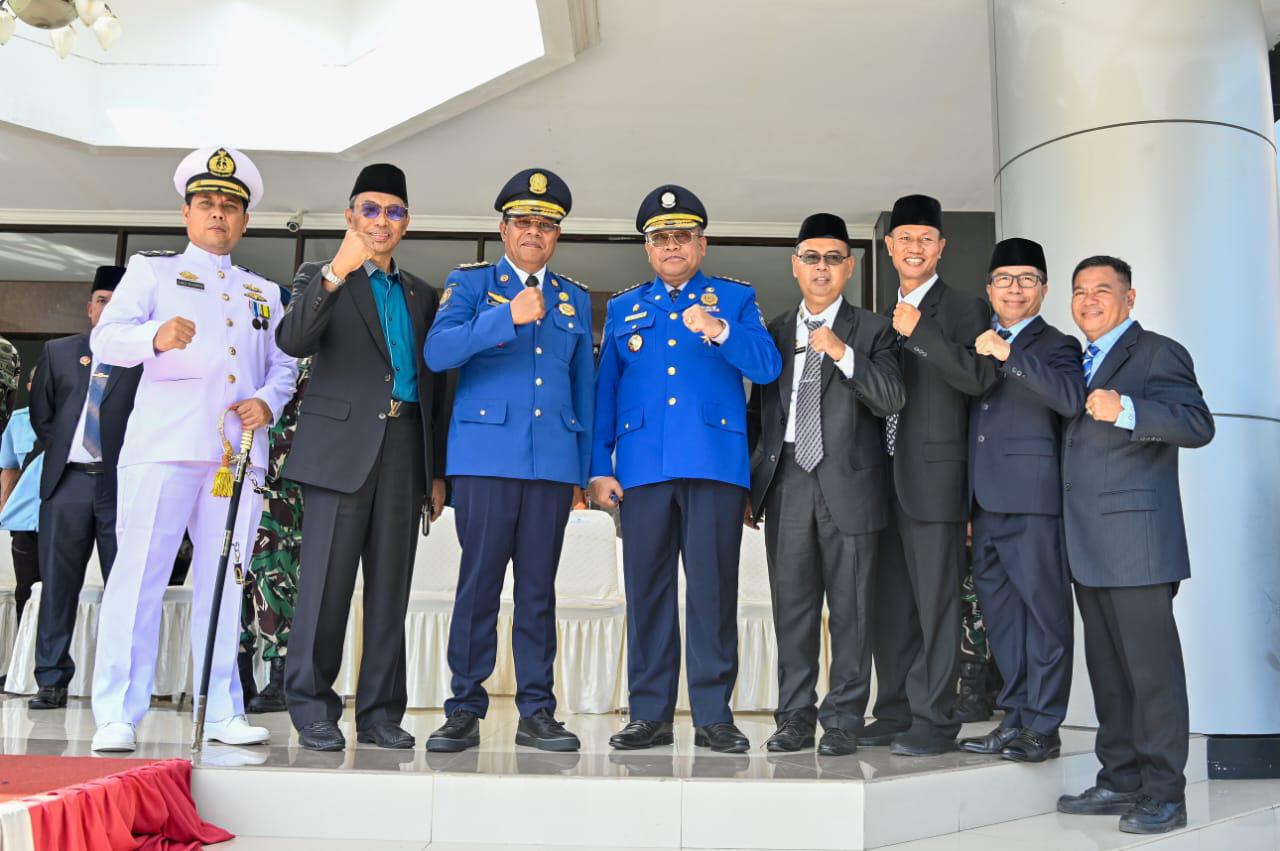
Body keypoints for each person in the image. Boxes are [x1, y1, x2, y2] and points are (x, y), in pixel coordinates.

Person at [88, 146, 297, 753]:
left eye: (230, 205)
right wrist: (154, 335)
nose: (218, 213)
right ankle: (118, 713)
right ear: (186, 213)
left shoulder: (263, 290)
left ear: (245, 220)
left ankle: (221, 709)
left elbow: (284, 363)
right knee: (139, 578)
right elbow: (106, 339)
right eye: (207, 203)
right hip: (165, 446)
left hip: (237, 454)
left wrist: (268, 401)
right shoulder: (151, 273)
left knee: (226, 583)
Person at [591, 184, 782, 754]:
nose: (671, 246)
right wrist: (599, 466)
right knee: (646, 592)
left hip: (715, 465)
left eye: (682, 236)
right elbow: (606, 392)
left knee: (713, 592)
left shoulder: (736, 299)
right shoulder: (624, 307)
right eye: (660, 238)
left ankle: (713, 715)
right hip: (642, 469)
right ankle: (648, 714)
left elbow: (767, 367)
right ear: (648, 249)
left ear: (701, 245)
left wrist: (719, 330)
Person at [278, 163, 448, 752]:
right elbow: (293, 340)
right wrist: (335, 273)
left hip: (405, 446)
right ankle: (311, 707)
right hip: (339, 451)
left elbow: (434, 383)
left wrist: (435, 471)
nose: (381, 221)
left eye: (393, 211)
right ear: (350, 216)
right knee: (325, 586)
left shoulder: (421, 293)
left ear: (407, 222)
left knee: (391, 588)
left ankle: (379, 713)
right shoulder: (319, 275)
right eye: (370, 209)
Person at [424, 168, 592, 753]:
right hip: (486, 459)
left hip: (551, 465)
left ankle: (537, 710)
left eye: (546, 224)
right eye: (523, 222)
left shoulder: (572, 297)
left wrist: (582, 470)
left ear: (557, 235)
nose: (534, 232)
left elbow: (584, 387)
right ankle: (463, 708)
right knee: (479, 585)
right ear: (503, 229)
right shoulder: (471, 284)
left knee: (539, 592)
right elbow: (438, 351)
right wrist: (506, 316)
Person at [1056, 256, 1213, 835]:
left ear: (1130, 298)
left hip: (1139, 545)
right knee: (1110, 674)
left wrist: (1126, 409)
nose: (1089, 300)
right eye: (1080, 291)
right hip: (1088, 544)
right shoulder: (1076, 361)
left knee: (1152, 676)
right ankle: (1120, 779)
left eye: (1102, 289)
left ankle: (1165, 794)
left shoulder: (1157, 352)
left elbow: (1197, 424)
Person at [746, 213, 904, 756]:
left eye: (833, 258)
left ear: (849, 267)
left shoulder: (875, 330)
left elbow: (891, 398)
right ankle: (793, 717)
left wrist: (841, 351)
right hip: (788, 479)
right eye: (811, 258)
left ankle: (843, 719)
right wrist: (752, 485)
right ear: (795, 266)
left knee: (852, 610)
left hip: (852, 484)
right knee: (792, 607)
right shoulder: (773, 331)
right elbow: (758, 414)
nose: (821, 268)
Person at [866, 193, 997, 756]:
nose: (914, 248)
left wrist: (921, 332)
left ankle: (935, 719)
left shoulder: (966, 309)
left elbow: (978, 379)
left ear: (941, 247)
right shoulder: (877, 315)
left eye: (925, 239)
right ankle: (894, 710)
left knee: (937, 605)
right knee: (892, 606)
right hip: (881, 481)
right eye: (905, 239)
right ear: (889, 247)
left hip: (937, 482)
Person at [955, 238, 1083, 762]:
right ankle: (1015, 719)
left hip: (1033, 503)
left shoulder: (1058, 345)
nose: (1015, 288)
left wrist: (1010, 354)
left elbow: (1070, 400)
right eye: (1005, 279)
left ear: (1043, 290)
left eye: (1027, 279)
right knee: (1003, 621)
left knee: (1045, 618)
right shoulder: (974, 342)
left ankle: (1044, 727)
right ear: (989, 289)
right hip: (984, 506)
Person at [26, 266, 143, 710]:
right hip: (68, 483)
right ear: (89, 307)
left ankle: (123, 682)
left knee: (124, 588)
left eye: (117, 302)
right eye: (101, 300)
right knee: (58, 586)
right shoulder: (58, 352)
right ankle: (51, 679)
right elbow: (43, 417)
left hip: (120, 486)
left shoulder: (144, 359)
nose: (107, 308)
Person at [239, 357, 311, 714]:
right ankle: (237, 673)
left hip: (280, 484)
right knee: (234, 575)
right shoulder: (245, 350)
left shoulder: (304, 362)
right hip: (234, 473)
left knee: (275, 576)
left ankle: (281, 676)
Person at [0, 367, 39, 629]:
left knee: (61, 589)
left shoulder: (78, 419)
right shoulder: (18, 421)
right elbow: (9, 470)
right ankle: (23, 652)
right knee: (25, 589)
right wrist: (5, 511)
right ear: (29, 386)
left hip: (66, 518)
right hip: (26, 520)